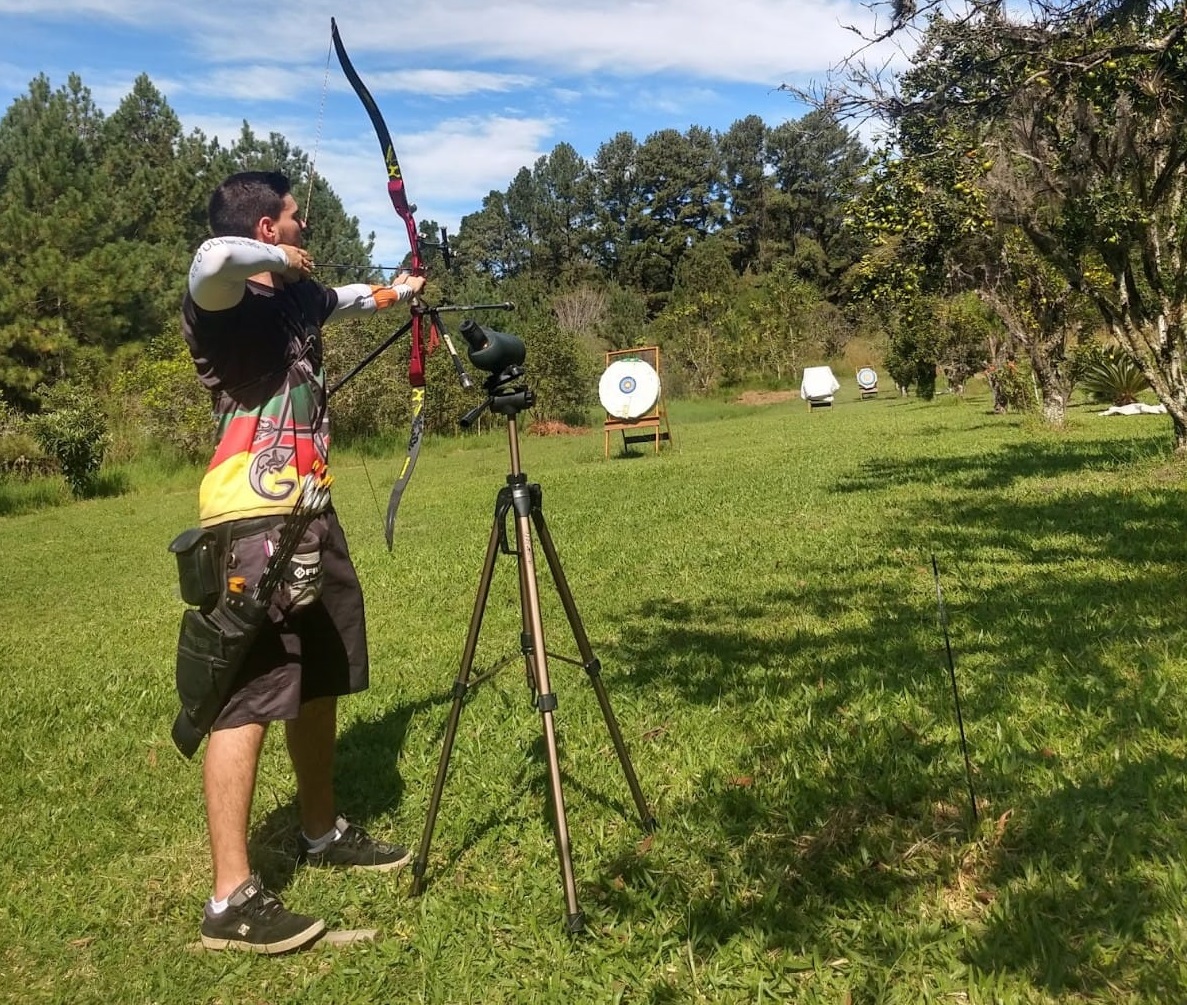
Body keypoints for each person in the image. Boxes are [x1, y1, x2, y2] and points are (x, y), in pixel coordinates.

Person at [180, 170, 426, 954]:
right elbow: (209, 260)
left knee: (319, 671)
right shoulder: (224, 304)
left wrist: (402, 290)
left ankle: (320, 830)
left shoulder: (296, 298)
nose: (303, 224)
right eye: (292, 217)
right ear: (267, 229)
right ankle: (230, 899)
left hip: (311, 509)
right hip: (251, 518)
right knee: (247, 693)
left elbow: (354, 298)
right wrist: (278, 263)